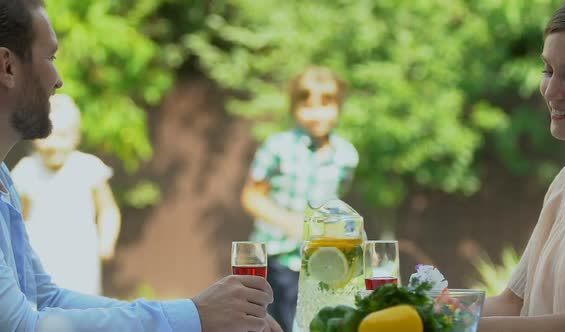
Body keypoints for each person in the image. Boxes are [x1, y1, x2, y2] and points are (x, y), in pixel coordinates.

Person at [0, 0, 282, 331]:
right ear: (7, 66)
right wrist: (195, 315)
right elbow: (19, 326)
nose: (58, 80)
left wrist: (203, 314)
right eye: (50, 58)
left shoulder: (4, 176)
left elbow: (47, 297)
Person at [478, 1, 565, 331]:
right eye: (548, 71)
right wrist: (417, 307)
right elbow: (514, 303)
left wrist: (461, 326)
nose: (552, 91)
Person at [241, 66, 359, 331]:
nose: (317, 114)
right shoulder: (278, 147)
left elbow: (336, 202)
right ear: (294, 106)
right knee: (274, 325)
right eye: (307, 106)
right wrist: (289, 222)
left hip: (319, 261)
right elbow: (251, 196)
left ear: (338, 106)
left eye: (326, 105)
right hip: (277, 257)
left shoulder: (346, 156)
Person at [11, 93, 120, 296]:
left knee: (81, 312)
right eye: (46, 136)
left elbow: (107, 209)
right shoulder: (27, 171)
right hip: (38, 261)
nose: (53, 144)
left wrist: (106, 243)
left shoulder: (87, 167)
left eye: (62, 136)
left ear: (76, 137)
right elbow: (19, 217)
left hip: (80, 258)